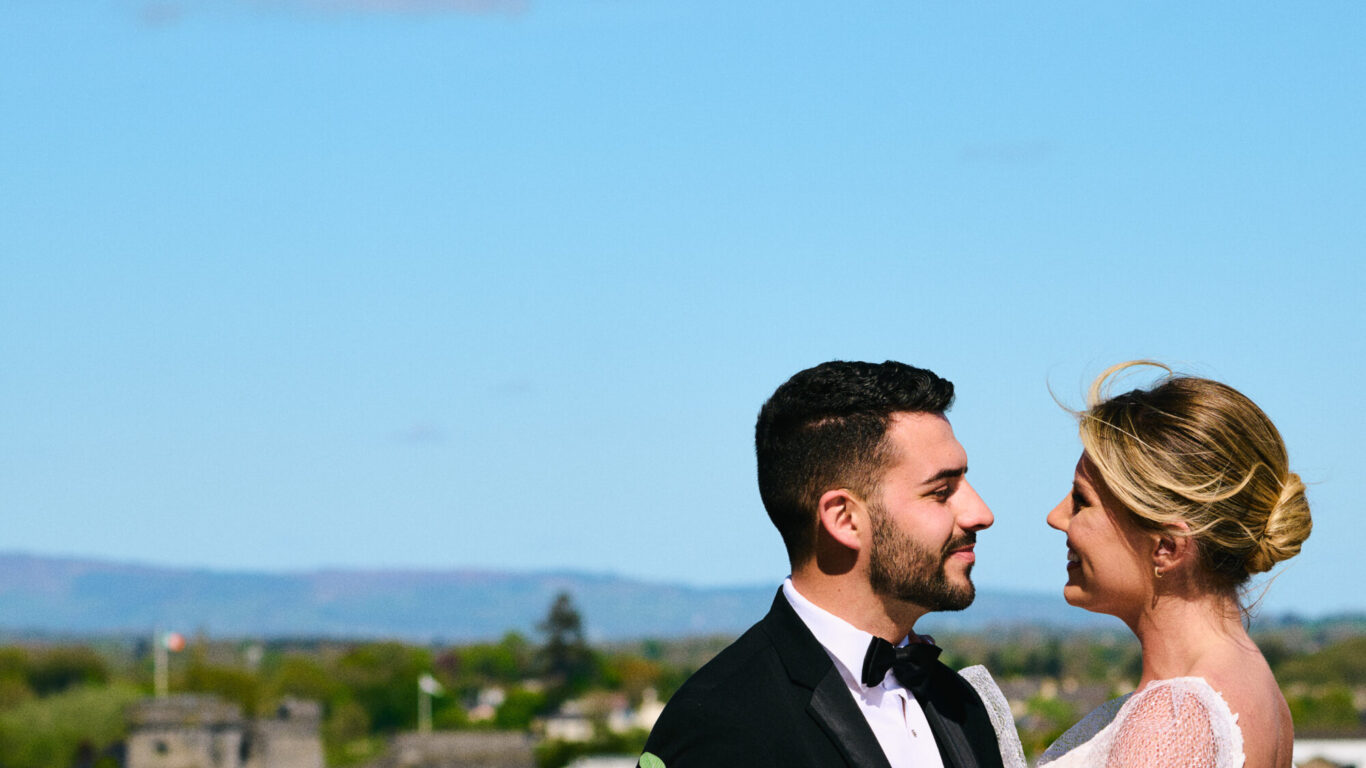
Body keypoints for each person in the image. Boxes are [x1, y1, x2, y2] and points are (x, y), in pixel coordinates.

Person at [640, 360, 1021, 768]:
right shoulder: (720, 724)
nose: (981, 513)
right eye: (941, 491)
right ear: (843, 519)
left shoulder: (961, 704)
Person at [1041, 362, 1312, 768]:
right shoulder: (1258, 690)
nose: (1056, 517)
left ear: (1166, 546)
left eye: (1082, 501)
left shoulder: (1173, 721)